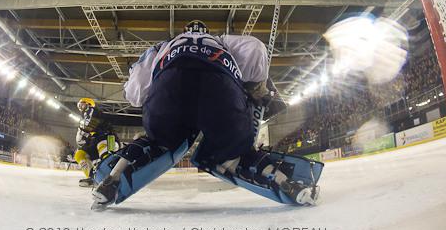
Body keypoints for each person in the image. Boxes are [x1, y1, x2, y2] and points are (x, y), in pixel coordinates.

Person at [92, 20, 319, 209]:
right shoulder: (222, 42)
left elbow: (135, 91)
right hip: (219, 88)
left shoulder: (163, 46)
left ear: (184, 32)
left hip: (169, 89)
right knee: (234, 151)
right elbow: (256, 48)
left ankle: (111, 180)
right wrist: (258, 87)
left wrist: (147, 102)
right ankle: (287, 183)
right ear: (207, 32)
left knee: (157, 142)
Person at [73, 98, 120, 187]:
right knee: (79, 154)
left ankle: (110, 178)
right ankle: (93, 178)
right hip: (95, 140)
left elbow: (90, 126)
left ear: (89, 105)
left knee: (104, 152)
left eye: (83, 105)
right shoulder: (85, 118)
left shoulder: (95, 113)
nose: (81, 108)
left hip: (109, 138)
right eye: (80, 105)